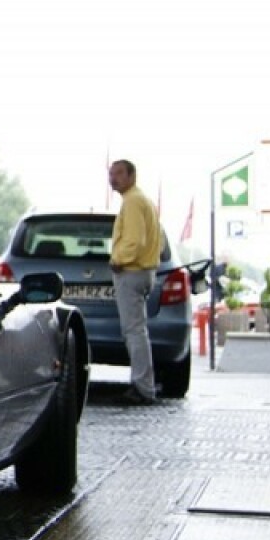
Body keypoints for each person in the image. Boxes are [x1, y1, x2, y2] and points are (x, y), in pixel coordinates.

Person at [108, 159, 162, 405]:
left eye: (119, 173)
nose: (113, 178)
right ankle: (144, 384)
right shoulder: (142, 200)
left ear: (132, 176)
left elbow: (135, 240)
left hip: (131, 271)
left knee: (134, 331)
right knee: (137, 330)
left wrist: (119, 259)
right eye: (111, 174)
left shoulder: (132, 202)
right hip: (144, 271)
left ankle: (143, 387)